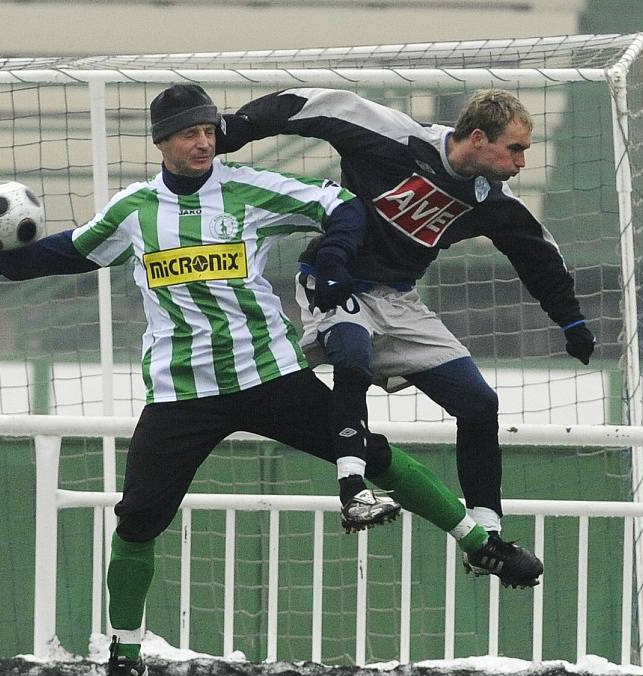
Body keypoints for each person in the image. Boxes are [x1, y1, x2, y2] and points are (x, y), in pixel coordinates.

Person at [0, 84, 542, 676]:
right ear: (162, 142)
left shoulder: (252, 188)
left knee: (372, 454)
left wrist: (334, 254)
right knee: (137, 522)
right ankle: (124, 657)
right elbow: (72, 250)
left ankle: (481, 542)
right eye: (188, 133)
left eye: (207, 131)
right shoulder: (136, 209)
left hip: (268, 374)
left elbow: (342, 206)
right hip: (182, 395)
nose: (202, 141)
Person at [218, 87, 595, 566]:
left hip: (398, 300)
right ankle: (353, 489)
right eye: (515, 148)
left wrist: (572, 321)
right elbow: (316, 105)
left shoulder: (492, 199)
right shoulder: (398, 140)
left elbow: (537, 255)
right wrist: (238, 128)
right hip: (335, 280)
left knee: (480, 404)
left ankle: (489, 535)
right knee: (350, 353)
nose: (522, 161)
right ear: (478, 138)